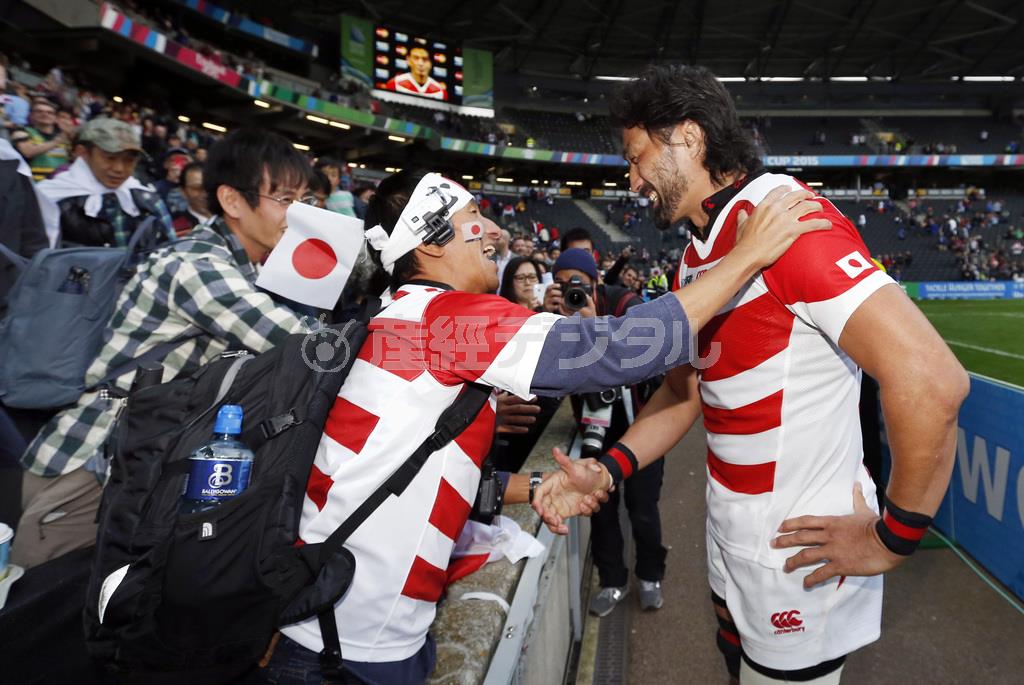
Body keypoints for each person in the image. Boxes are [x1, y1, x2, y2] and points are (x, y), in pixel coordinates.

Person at [264, 168, 829, 684]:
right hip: (348, 649)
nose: (495, 233)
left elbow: (416, 476)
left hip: (352, 630)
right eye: (471, 220)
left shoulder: (401, 317)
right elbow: (624, 349)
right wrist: (747, 256)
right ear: (431, 241)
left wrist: (535, 486)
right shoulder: (442, 319)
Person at [537, 64, 969, 684]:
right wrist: (609, 467)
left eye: (636, 158)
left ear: (686, 137)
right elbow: (687, 391)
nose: (630, 180)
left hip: (802, 554)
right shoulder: (699, 253)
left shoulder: (791, 225)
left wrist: (892, 537)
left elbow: (933, 381)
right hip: (732, 537)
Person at [11, 129, 314, 569]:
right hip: (86, 471)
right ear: (232, 201)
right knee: (38, 620)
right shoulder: (196, 267)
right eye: (286, 199)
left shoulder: (241, 266)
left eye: (306, 200)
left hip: (131, 464)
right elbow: (299, 343)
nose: (299, 216)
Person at [547, 248, 669, 615]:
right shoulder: (555, 315)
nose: (571, 290)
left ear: (595, 281)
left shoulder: (624, 303)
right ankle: (612, 581)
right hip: (594, 428)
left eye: (577, 284)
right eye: (562, 284)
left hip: (642, 426)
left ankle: (650, 576)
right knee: (599, 509)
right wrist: (549, 322)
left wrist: (593, 324)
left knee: (643, 508)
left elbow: (645, 358)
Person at [35, 117, 174, 247]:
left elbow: (170, 250)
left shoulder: (147, 199)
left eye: (129, 160)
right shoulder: (49, 198)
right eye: (110, 158)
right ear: (82, 152)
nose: (119, 169)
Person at [10, 97, 72, 180]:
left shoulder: (64, 135)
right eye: (39, 111)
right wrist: (57, 141)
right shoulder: (21, 131)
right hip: (34, 183)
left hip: (62, 183)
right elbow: (28, 152)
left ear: (55, 118)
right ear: (31, 115)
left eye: (50, 112)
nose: (45, 114)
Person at [170, 161, 212, 236]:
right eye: (196, 188)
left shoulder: (232, 219)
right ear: (183, 192)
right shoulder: (176, 230)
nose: (205, 194)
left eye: (209, 187)